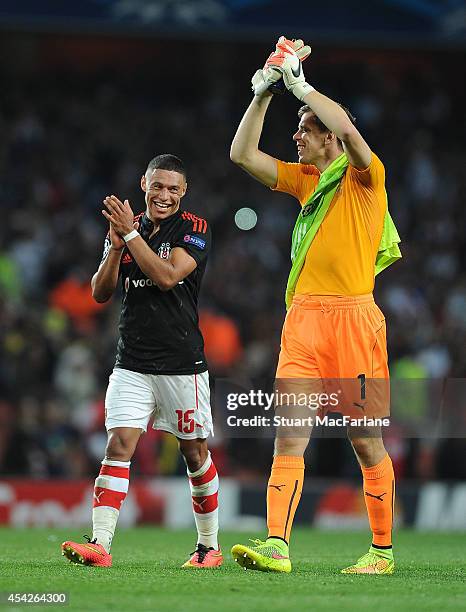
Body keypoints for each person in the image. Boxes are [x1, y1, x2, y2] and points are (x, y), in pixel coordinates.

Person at [230, 37, 401, 574]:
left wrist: (301, 86)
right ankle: (277, 544)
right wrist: (262, 94)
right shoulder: (310, 183)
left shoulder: (364, 178)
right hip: (303, 319)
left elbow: (350, 131)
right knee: (289, 432)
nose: (295, 135)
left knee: (365, 440)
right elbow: (242, 156)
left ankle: (381, 552)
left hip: (354, 320)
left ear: (327, 136)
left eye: (303, 128)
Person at [61, 154, 222, 568]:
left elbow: (169, 277)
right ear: (144, 184)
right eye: (158, 186)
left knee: (194, 453)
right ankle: (100, 544)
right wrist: (115, 247)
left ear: (183, 193)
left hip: (181, 365)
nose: (164, 195)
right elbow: (100, 292)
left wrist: (131, 235)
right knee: (119, 445)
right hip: (131, 362)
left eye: (173, 188)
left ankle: (208, 547)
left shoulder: (194, 228)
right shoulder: (128, 231)